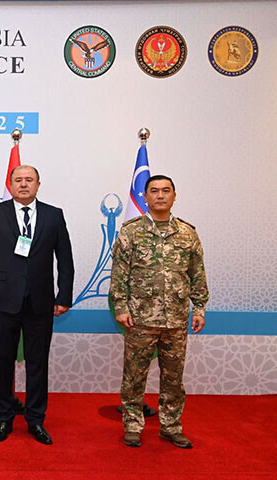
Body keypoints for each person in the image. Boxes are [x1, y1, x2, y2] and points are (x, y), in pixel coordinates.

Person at [0, 165, 74, 445]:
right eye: (18, 180)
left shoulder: (54, 215)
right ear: (10, 184)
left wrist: (63, 296)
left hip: (41, 303)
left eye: (29, 180)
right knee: (3, 362)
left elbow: (65, 259)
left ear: (38, 184)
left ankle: (35, 419)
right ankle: (4, 416)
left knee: (38, 363)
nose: (23, 184)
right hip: (3, 302)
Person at [110, 174, 208, 449]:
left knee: (174, 378)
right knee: (134, 375)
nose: (161, 195)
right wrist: (120, 306)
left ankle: (171, 426)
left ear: (174, 196)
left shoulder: (188, 233)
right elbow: (119, 274)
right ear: (145, 197)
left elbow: (197, 274)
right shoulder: (131, 231)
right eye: (154, 191)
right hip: (140, 317)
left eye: (166, 191)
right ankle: (132, 424)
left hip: (176, 319)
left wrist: (199, 307)